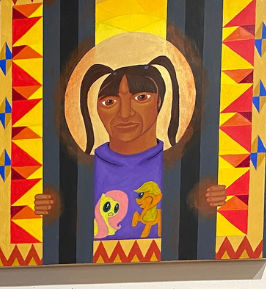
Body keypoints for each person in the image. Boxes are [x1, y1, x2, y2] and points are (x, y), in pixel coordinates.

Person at [34, 55, 226, 237]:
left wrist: (208, 203)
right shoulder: (79, 174)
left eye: (141, 98)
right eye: (110, 101)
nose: (124, 114)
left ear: (159, 102)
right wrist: (50, 209)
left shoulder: (183, 170)